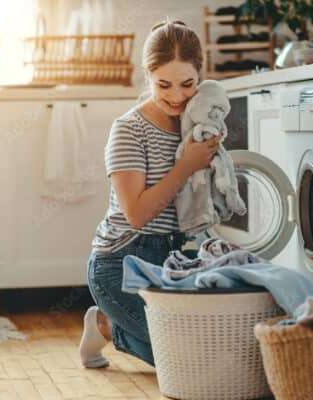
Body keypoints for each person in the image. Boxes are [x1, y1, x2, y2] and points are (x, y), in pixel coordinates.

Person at [79, 18, 221, 368]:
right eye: (164, 85)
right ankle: (106, 325)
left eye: (187, 84)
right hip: (120, 263)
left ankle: (123, 326)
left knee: (216, 349)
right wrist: (185, 166)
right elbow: (137, 215)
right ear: (148, 77)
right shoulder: (129, 130)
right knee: (186, 362)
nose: (176, 96)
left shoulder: (198, 125)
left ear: (200, 77)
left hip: (173, 258)